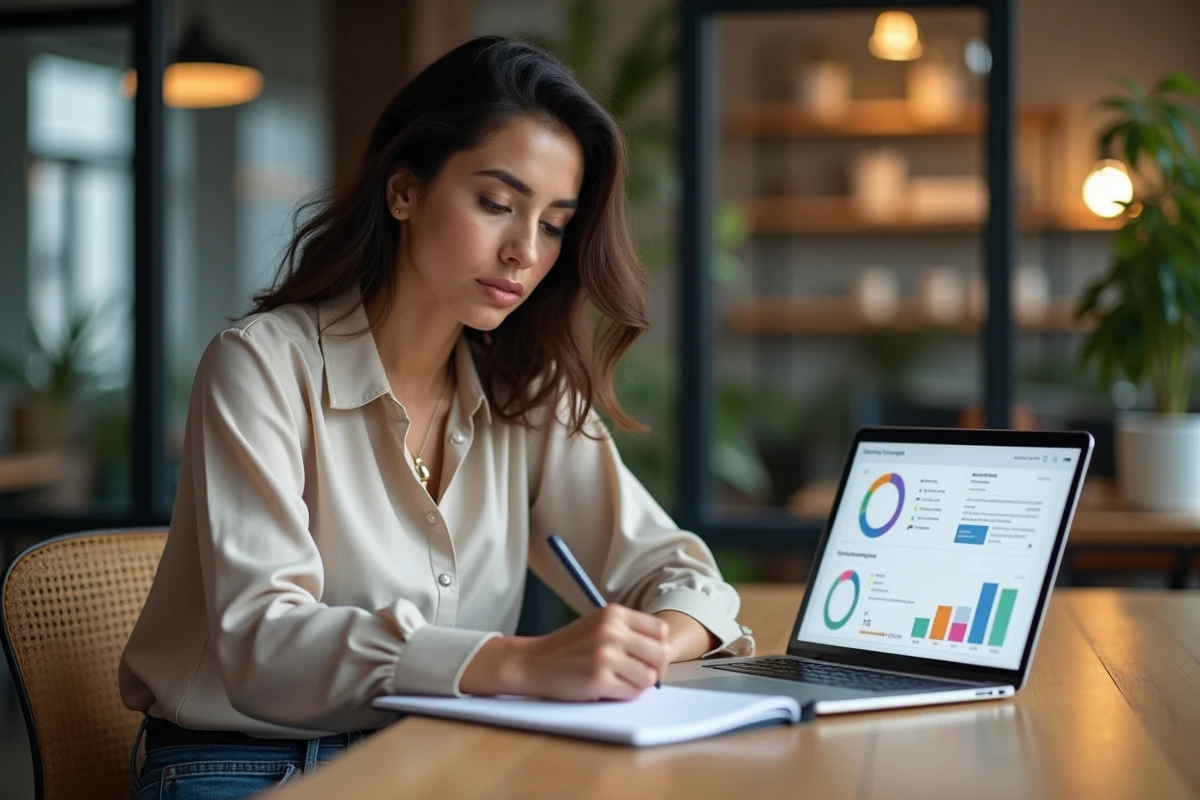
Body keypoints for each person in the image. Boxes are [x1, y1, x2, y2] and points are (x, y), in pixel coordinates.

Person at [119, 35, 753, 800]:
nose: (524, 250)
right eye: (496, 204)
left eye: (553, 224)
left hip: (445, 755)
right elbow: (264, 642)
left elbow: (676, 574)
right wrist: (519, 663)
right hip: (248, 764)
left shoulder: (530, 391)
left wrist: (644, 645)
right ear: (404, 191)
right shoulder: (261, 366)